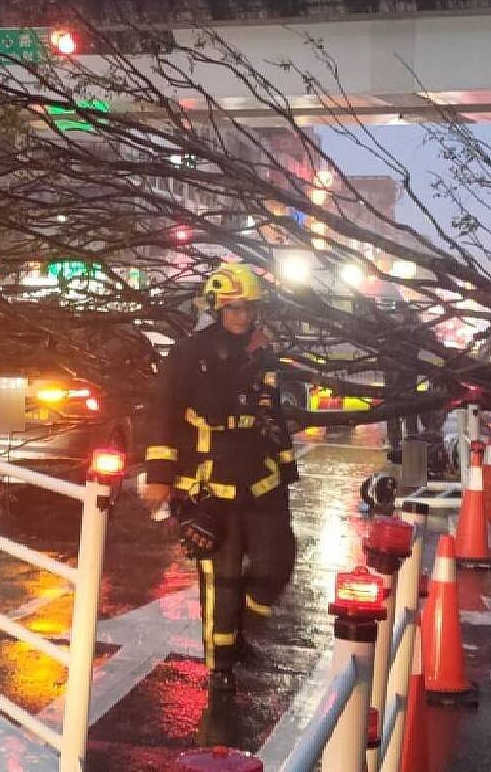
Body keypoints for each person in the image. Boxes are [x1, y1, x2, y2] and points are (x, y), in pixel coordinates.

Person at [140, 262, 299, 693]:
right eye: (232, 309)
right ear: (215, 309)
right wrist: (160, 477)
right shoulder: (191, 353)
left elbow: (274, 412)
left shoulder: (264, 352)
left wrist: (286, 468)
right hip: (209, 484)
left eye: (247, 308)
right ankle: (221, 664)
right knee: (222, 576)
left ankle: (243, 625)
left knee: (276, 562)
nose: (241, 317)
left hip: (261, 480)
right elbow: (163, 413)